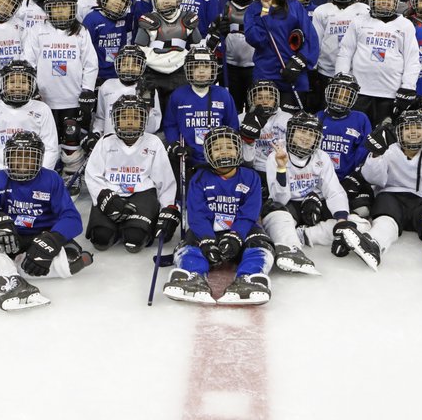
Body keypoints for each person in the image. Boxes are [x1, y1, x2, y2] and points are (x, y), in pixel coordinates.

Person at [303, 109, 422, 277]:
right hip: (392, 196)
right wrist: (376, 153)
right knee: (385, 221)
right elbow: (373, 179)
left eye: (418, 127)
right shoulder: (389, 149)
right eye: (407, 128)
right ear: (399, 132)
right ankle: (373, 244)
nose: (413, 132)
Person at [0, 131, 91, 311]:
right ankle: (14, 283)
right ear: (7, 158)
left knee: (72, 261)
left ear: (39, 159)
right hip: (9, 238)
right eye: (17, 157)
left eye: (29, 157)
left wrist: (51, 241)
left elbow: (72, 218)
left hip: (40, 237)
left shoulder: (51, 179)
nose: (22, 163)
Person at [163, 126, 275, 305]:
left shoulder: (250, 177)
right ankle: (192, 276)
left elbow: (249, 213)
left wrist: (236, 236)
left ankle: (249, 278)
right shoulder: (199, 178)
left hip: (241, 230)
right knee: (192, 240)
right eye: (217, 148)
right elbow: (197, 214)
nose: (223, 152)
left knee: (260, 242)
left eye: (229, 147)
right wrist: (206, 240)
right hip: (210, 230)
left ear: (238, 150)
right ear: (208, 154)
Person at [262, 111, 371, 275]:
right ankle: (290, 249)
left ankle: (303, 235)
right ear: (291, 132)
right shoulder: (275, 156)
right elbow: (280, 198)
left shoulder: (322, 157)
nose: (306, 137)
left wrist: (341, 221)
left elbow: (334, 191)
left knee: (359, 224)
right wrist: (282, 168)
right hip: (289, 205)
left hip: (315, 204)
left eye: (311, 134)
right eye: (302, 131)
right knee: (276, 215)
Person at [22, 0, 99, 193]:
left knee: (71, 138)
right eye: (56, 8)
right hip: (45, 100)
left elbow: (90, 64)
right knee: (47, 138)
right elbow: (28, 62)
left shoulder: (81, 32)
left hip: (72, 99)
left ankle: (70, 173)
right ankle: (47, 173)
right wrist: (32, 90)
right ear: (48, 9)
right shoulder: (37, 31)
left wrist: (87, 90)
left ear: (73, 8)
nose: (61, 12)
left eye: (65, 7)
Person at [84, 95, 179, 252]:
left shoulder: (153, 142)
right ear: (115, 119)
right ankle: (115, 226)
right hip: (111, 193)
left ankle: (130, 227)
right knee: (100, 238)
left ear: (144, 119)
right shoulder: (105, 141)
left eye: (135, 117)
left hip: (142, 194)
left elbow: (165, 180)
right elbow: (93, 174)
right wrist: (103, 196)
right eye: (123, 117)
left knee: (135, 239)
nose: (129, 121)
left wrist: (167, 209)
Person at [334, 0, 420, 126]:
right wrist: (341, 80)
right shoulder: (359, 21)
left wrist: (408, 86)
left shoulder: (405, 25)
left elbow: (412, 59)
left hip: (390, 93)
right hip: (359, 91)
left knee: (383, 138)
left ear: (396, 1)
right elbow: (345, 52)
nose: (384, 2)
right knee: (356, 131)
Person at [243, 0, 320, 105]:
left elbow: (311, 37)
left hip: (294, 74)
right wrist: (265, 11)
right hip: (266, 73)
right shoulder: (254, 8)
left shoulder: (295, 5)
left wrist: (299, 63)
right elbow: (256, 40)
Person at [0, 60, 60, 180]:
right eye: (11, 81)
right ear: (3, 83)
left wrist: (42, 173)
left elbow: (50, 146)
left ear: (32, 84)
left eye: (23, 82)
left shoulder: (42, 109)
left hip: (32, 170)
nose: (17, 85)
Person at [163, 48, 240, 177]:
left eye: (206, 66)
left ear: (213, 70)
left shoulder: (223, 94)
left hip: (218, 158)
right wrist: (176, 145)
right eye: (196, 66)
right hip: (188, 158)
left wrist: (225, 150)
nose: (201, 71)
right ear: (189, 70)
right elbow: (170, 125)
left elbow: (232, 126)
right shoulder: (178, 95)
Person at [134, 0, 201, 111]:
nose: (166, 1)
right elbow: (140, 49)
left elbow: (197, 47)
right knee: (152, 112)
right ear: (154, 0)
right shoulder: (148, 20)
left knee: (178, 110)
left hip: (180, 71)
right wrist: (155, 60)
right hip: (152, 72)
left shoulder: (188, 18)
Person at [309, 0, 369, 112]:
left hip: (355, 73)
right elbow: (316, 41)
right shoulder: (322, 10)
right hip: (326, 72)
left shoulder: (365, 10)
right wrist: (314, 69)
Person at [315, 73, 374, 216]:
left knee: (363, 210)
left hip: (348, 179)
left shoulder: (361, 119)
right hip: (321, 180)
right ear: (329, 93)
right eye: (337, 95)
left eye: (346, 97)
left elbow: (365, 154)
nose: (341, 100)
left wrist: (354, 178)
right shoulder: (318, 117)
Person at [239, 80, 293, 191]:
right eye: (259, 98)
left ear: (276, 100)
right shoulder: (241, 119)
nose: (265, 101)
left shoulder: (288, 118)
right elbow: (247, 162)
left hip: (282, 168)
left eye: (269, 98)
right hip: (253, 170)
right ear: (252, 100)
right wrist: (248, 140)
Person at [81, 0, 135, 85]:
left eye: (123, 0)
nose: (119, 2)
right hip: (97, 76)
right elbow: (83, 52)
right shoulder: (92, 19)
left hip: (118, 76)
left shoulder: (126, 19)